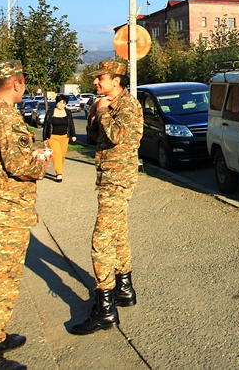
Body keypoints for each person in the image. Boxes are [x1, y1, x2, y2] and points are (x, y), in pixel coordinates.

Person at [0, 60, 49, 370]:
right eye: (23, 82)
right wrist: (40, 160)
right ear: (17, 83)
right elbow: (19, 166)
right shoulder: (5, 118)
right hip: (5, 212)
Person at [70, 60, 143, 335]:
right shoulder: (105, 104)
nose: (96, 83)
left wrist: (102, 113)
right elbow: (93, 138)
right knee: (118, 233)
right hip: (108, 177)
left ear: (116, 80)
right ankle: (124, 289)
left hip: (119, 179)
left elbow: (116, 135)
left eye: (100, 78)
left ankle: (105, 309)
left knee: (101, 239)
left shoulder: (128, 105)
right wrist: (93, 114)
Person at [42, 94, 76, 183]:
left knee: (62, 155)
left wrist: (73, 135)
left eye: (64, 103)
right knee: (57, 154)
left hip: (65, 137)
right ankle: (59, 174)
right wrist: (44, 138)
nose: (62, 105)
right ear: (56, 102)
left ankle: (58, 168)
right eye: (60, 103)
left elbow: (71, 124)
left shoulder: (68, 112)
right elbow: (46, 125)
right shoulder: (50, 112)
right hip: (53, 137)